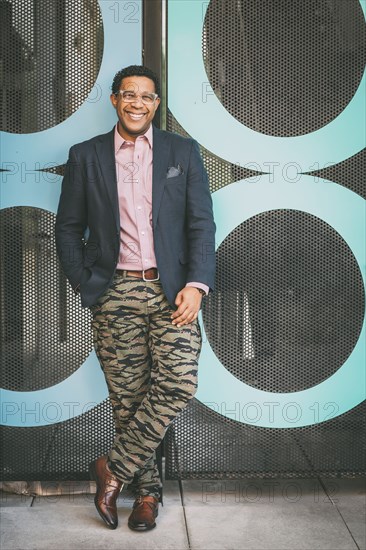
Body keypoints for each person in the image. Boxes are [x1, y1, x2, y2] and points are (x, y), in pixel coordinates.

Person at [55, 65, 216, 531]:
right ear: (114, 100)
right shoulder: (86, 156)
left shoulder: (181, 152)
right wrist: (87, 284)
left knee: (178, 383)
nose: (137, 103)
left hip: (173, 290)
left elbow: (200, 225)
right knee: (128, 401)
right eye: (129, 95)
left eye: (147, 96)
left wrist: (197, 283)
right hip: (114, 289)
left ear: (156, 103)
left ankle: (112, 470)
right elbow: (68, 228)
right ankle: (147, 496)